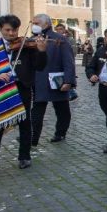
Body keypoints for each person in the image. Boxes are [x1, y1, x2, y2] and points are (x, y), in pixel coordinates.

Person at [0, 15, 47, 176]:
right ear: (0, 29)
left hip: (22, 88)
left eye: (14, 30)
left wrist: (41, 51)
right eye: (7, 30)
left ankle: (24, 157)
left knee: (24, 122)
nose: (12, 33)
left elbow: (40, 66)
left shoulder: (27, 46)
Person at [31, 14, 76, 145]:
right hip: (38, 80)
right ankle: (33, 137)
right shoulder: (31, 39)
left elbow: (68, 61)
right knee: (37, 111)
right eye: (33, 23)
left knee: (62, 109)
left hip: (55, 79)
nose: (34, 25)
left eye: (37, 23)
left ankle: (60, 132)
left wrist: (68, 81)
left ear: (46, 24)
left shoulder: (59, 39)